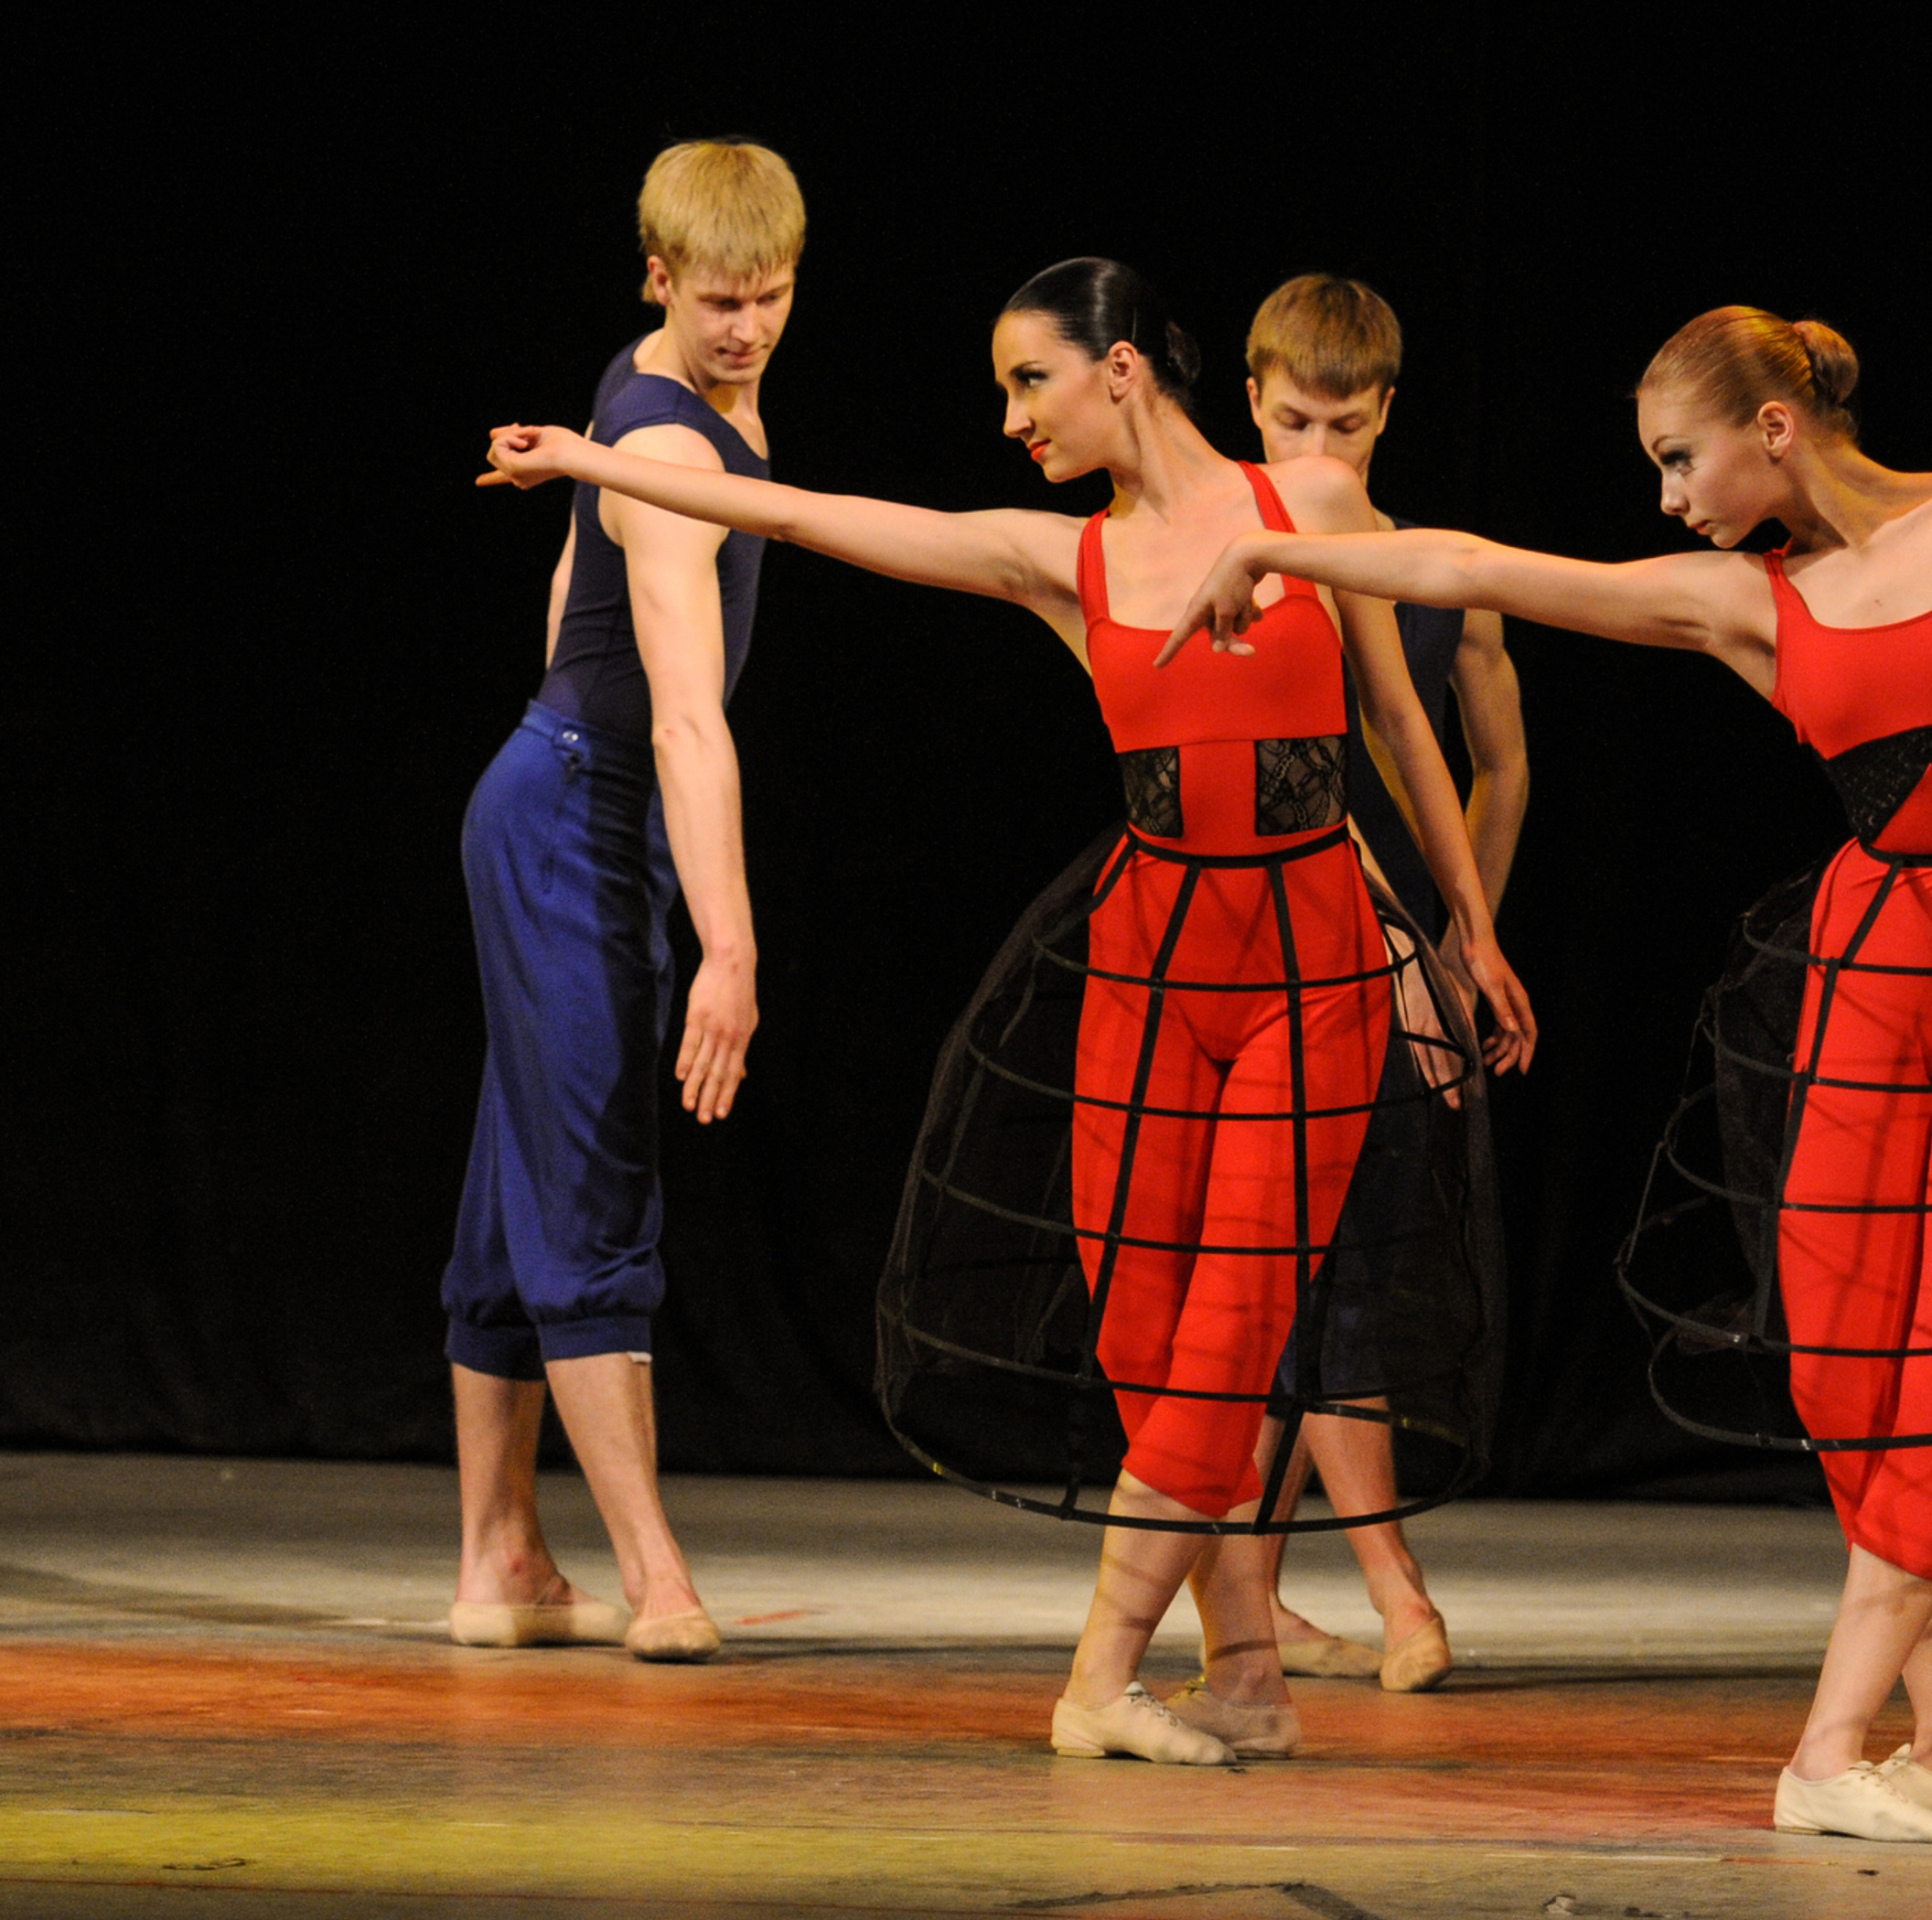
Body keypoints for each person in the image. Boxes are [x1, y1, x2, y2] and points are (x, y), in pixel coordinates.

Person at [480, 255, 1534, 1761]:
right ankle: (1242, 1667)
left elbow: (1403, 729)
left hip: (1311, 967)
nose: (1010, 418)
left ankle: (1099, 1678)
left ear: (1123, 371)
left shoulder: (1312, 507)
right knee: (1151, 1325)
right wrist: (591, 457)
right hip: (1151, 966)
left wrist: (1466, 930)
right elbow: (823, 519)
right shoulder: (1069, 560)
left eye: (1029, 381)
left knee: (1238, 1323)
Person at [1162, 304, 1932, 1841]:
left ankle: (1841, 1748)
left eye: (1677, 459)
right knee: (1854, 1350)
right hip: (1884, 979)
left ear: (1774, 430)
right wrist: (1284, 552)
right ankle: (1870, 1748)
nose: (1666, 497)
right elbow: (1481, 568)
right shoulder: (1755, 602)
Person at [445, 139, 802, 1666]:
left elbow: (559, 590)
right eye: (720, 300)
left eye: (772, 298)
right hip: (585, 804)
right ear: (658, 276)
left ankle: (501, 1564)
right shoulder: (674, 452)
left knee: (515, 1170)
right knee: (592, 1171)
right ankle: (654, 1571)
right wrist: (726, 935)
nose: (747, 328)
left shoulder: (670, 394)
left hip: (576, 800)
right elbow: (684, 718)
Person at [1240, 274, 1530, 1691]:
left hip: (1401, 949)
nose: (1319, 457)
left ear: (1387, 415)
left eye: (1345, 429)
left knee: (1347, 1258)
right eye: (1294, 421)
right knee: (1289, 1270)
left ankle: (1261, 1592)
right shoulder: (1247, 555)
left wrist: (1464, 937)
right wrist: (1414, 950)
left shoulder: (1426, 563)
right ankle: (1394, 1593)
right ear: (1250, 402)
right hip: (1276, 942)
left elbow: (1501, 762)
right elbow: (1304, 782)